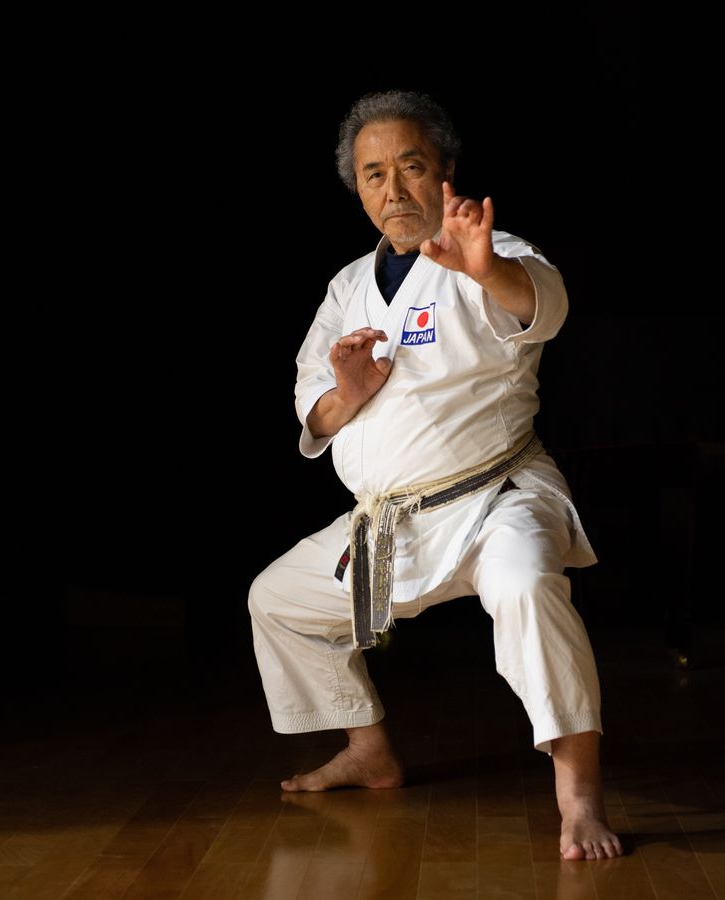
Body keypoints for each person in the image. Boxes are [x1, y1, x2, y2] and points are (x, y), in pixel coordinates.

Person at [247, 90, 623, 861]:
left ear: (445, 169)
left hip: (494, 503)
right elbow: (313, 407)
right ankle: (368, 751)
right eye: (373, 174)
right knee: (277, 600)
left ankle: (579, 794)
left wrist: (487, 270)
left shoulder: (490, 250)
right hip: (390, 525)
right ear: (358, 189)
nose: (393, 189)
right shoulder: (347, 287)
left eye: (411, 166)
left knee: (527, 585)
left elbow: (542, 309)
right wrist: (347, 394)